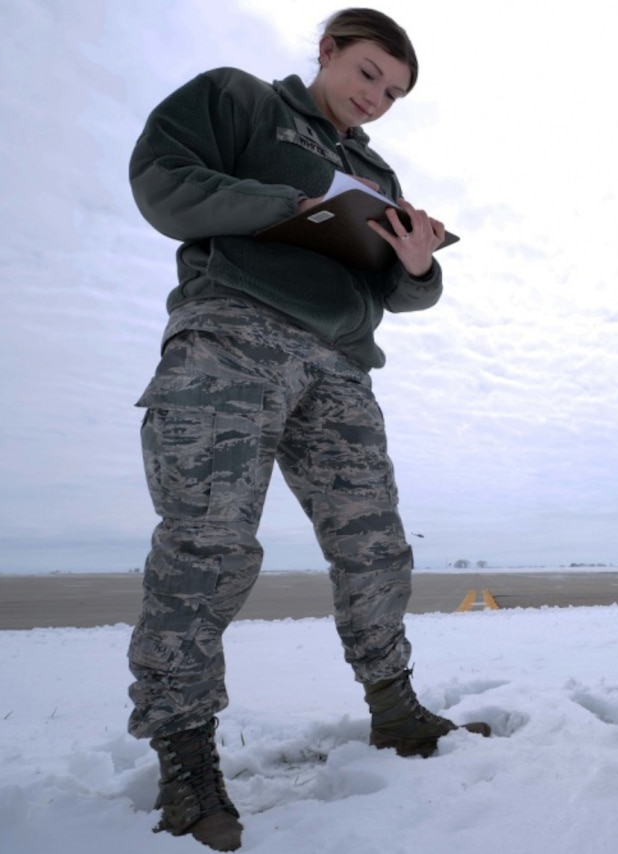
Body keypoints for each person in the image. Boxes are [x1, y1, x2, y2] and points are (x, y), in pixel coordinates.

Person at [126, 9, 487, 851]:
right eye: (368, 75)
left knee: (375, 547)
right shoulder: (241, 102)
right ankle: (184, 759)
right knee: (206, 544)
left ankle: (394, 709)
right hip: (233, 335)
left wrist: (419, 262)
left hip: (340, 367)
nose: (377, 99)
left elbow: (402, 294)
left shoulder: (376, 170)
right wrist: (288, 204)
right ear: (326, 51)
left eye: (394, 93)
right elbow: (160, 177)